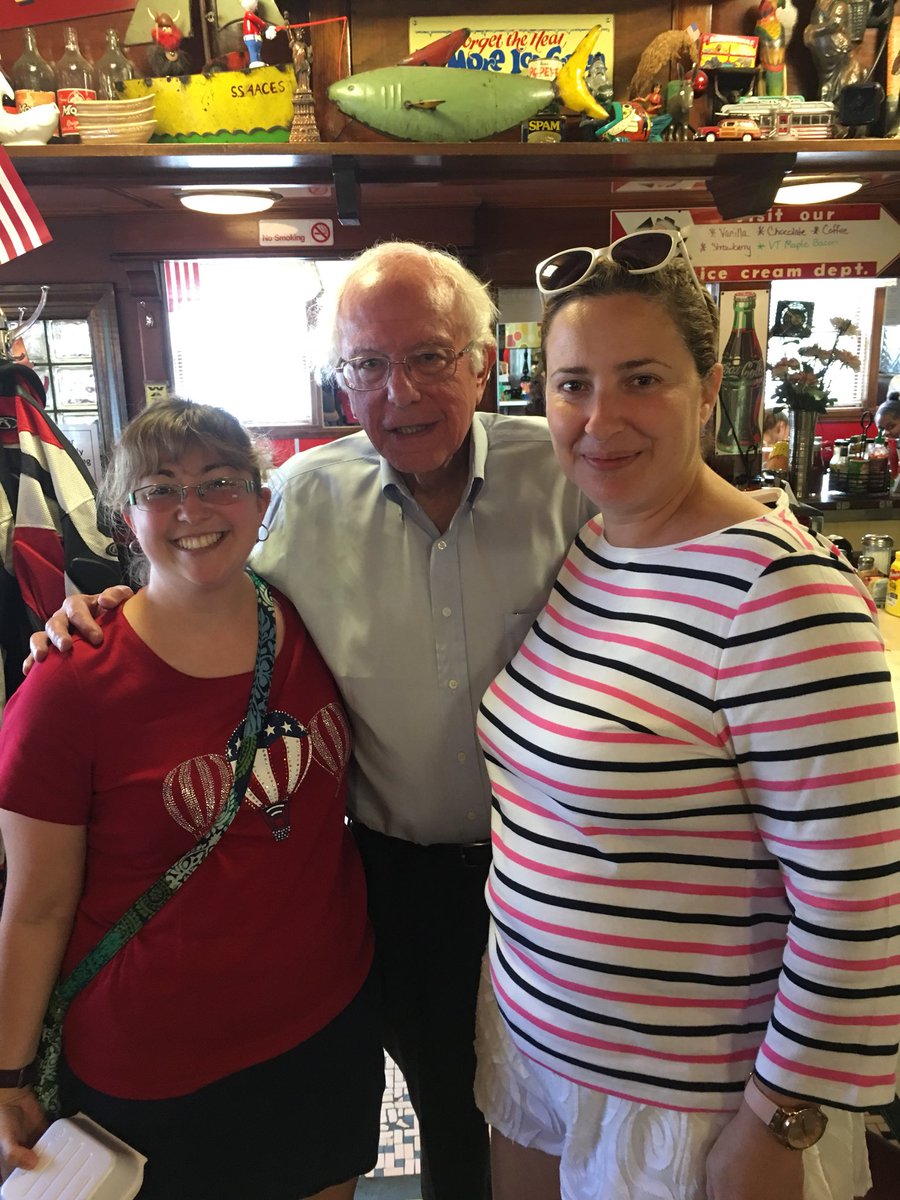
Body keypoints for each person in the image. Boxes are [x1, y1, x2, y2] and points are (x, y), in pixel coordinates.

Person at [31, 242, 595, 1200]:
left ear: (482, 358)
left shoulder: (569, 472)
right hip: (398, 883)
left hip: (565, 871)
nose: (399, 390)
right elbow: (199, 566)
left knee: (577, 1112)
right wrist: (101, 607)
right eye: (368, 366)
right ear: (339, 380)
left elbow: (676, 528)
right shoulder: (301, 498)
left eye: (428, 356)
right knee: (450, 1110)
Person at [473, 231, 900, 1200]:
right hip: (538, 1052)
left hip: (685, 1103)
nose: (599, 418)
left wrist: (778, 1123)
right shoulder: (596, 550)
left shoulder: (784, 595)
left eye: (641, 379)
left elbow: (862, 905)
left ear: (710, 390)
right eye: (572, 383)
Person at [0, 400, 382, 1200]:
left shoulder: (308, 619)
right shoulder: (69, 687)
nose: (192, 510)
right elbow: (34, 906)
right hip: (153, 1067)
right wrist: (4, 1073)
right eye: (159, 488)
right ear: (123, 515)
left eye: (220, 481)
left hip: (323, 1024)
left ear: (261, 498)